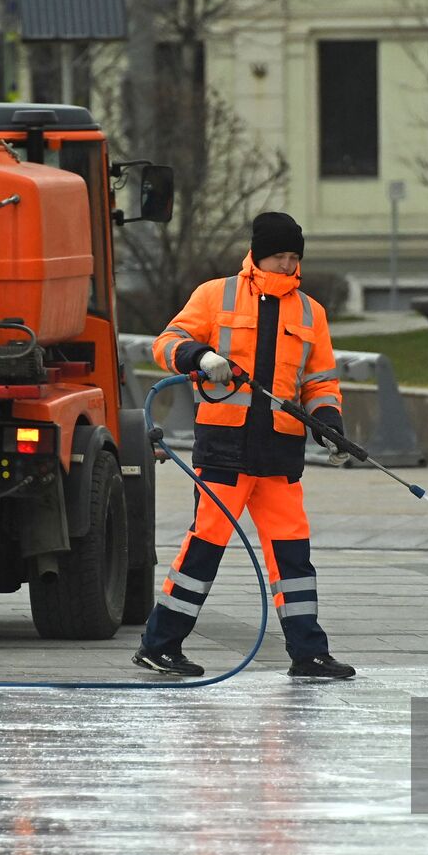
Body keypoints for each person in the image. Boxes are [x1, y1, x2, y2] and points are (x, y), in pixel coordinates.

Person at [133, 212, 356, 680]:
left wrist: (328, 423)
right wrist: (200, 355)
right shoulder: (215, 295)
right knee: (204, 550)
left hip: (280, 457)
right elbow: (167, 342)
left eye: (295, 257)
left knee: (293, 557)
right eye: (280, 255)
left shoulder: (312, 312)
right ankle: (160, 645)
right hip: (225, 452)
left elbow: (320, 383)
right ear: (258, 253)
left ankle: (308, 653)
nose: (288, 264)